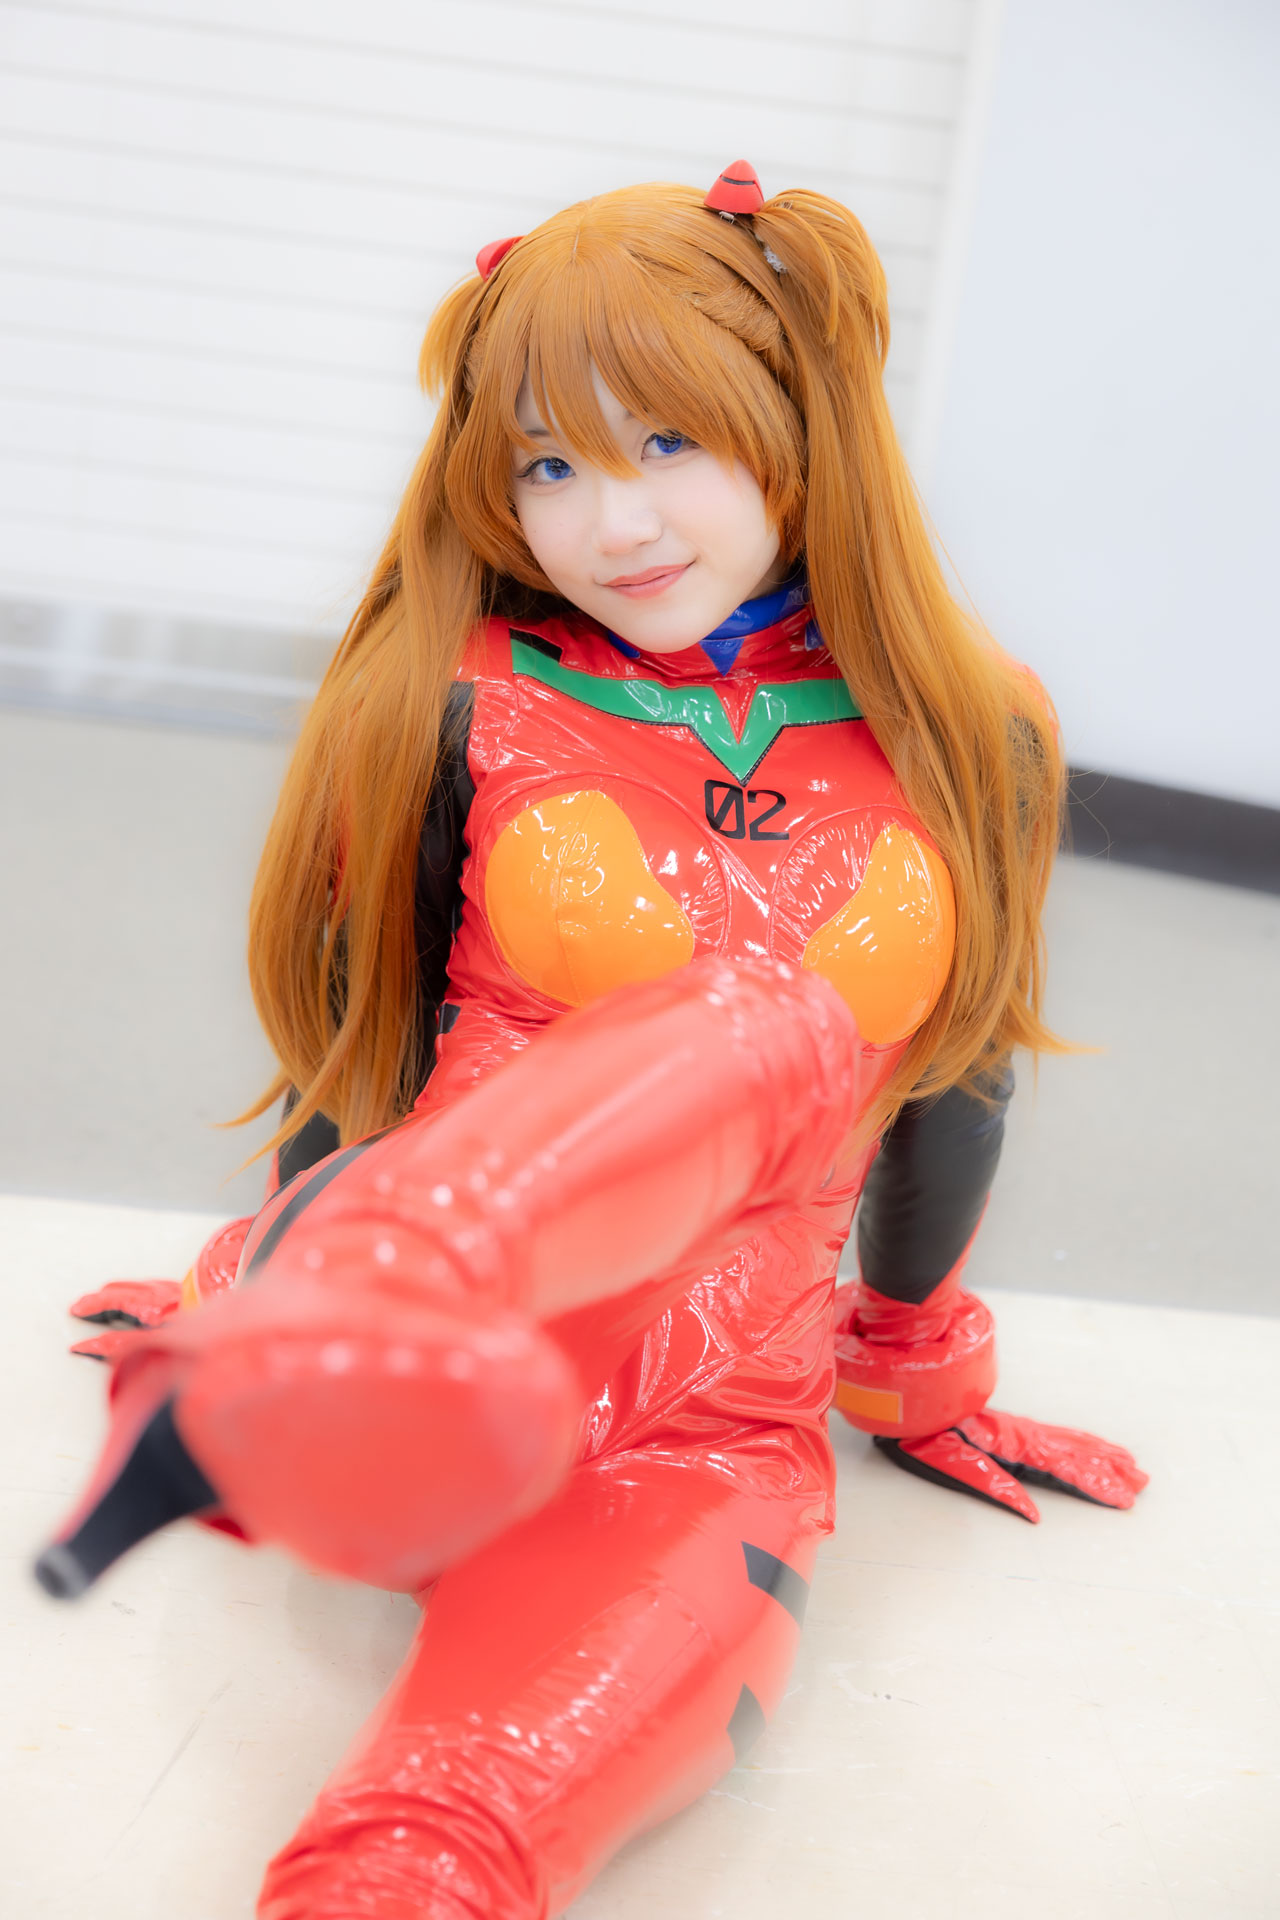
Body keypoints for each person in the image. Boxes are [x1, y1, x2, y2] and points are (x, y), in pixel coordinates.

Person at [37, 163, 1146, 1919]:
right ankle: (342, 1305)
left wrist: (919, 1366)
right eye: (546, 465)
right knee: (737, 1029)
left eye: (667, 444)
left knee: (434, 1849)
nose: (609, 525)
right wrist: (265, 1268)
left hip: (700, 1423)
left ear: (800, 422)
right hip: (415, 1339)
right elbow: (366, 1052)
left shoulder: (969, 722)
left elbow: (959, 1072)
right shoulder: (459, 696)